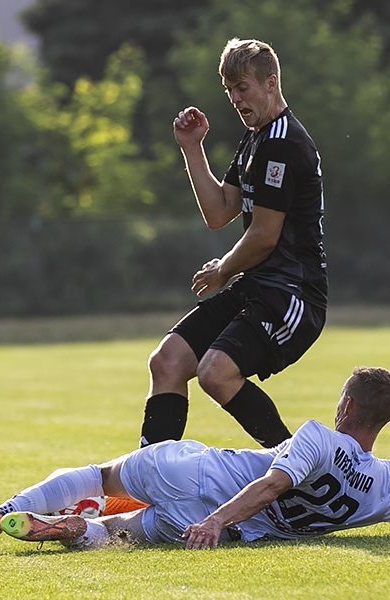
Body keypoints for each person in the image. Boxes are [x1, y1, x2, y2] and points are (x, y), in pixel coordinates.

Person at [0, 367, 390, 550]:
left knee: (98, 476)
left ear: (347, 408)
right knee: (122, 532)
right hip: (227, 530)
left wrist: (215, 517)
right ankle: (71, 532)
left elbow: (273, 481)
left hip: (208, 480)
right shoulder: (389, 486)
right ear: (383, 422)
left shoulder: (319, 436)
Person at [140, 38, 328, 449]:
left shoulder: (282, 143)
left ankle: (299, 478)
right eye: (229, 90)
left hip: (293, 295)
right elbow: (220, 211)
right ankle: (150, 481)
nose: (235, 98)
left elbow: (264, 236)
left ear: (270, 83)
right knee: (167, 361)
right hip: (258, 286)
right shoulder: (257, 137)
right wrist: (192, 149)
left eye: (242, 87)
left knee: (215, 373)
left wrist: (222, 269)